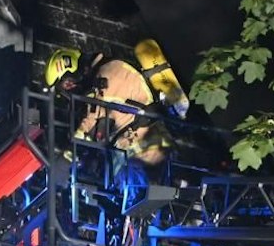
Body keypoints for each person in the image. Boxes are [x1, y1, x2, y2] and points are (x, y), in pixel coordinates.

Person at [52, 38, 187, 168]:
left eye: (68, 84)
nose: (71, 90)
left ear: (75, 70)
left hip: (146, 149)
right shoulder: (111, 67)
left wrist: (68, 155)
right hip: (151, 144)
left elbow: (92, 122)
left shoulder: (102, 79)